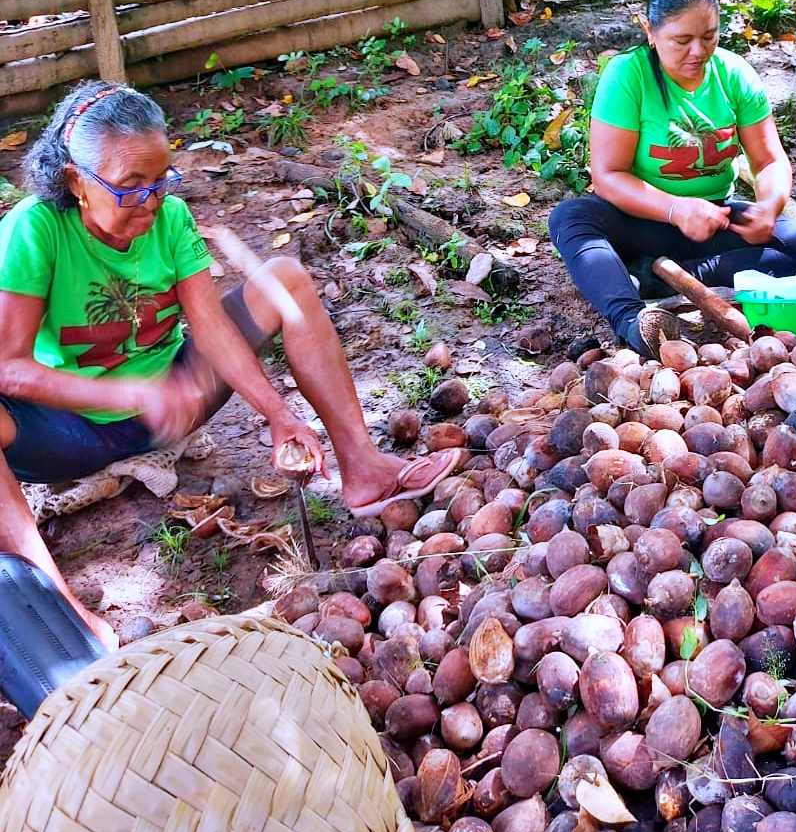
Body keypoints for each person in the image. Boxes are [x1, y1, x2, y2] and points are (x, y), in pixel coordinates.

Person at [0, 81, 463, 649]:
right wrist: (130, 397)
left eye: (161, 178)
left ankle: (362, 468)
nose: (150, 200)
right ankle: (62, 613)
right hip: (64, 430)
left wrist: (276, 413)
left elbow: (211, 329)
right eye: (129, 186)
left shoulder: (168, 216)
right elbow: (8, 368)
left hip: (174, 402)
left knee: (285, 279)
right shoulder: (35, 228)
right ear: (76, 181)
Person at [549, 0, 796, 356]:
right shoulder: (627, 76)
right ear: (650, 31)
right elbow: (608, 176)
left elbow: (769, 161)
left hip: (716, 219)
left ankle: (661, 278)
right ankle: (633, 323)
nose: (697, 51)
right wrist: (675, 207)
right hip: (641, 220)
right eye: (681, 40)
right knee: (572, 218)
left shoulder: (734, 75)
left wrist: (768, 207)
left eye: (709, 37)